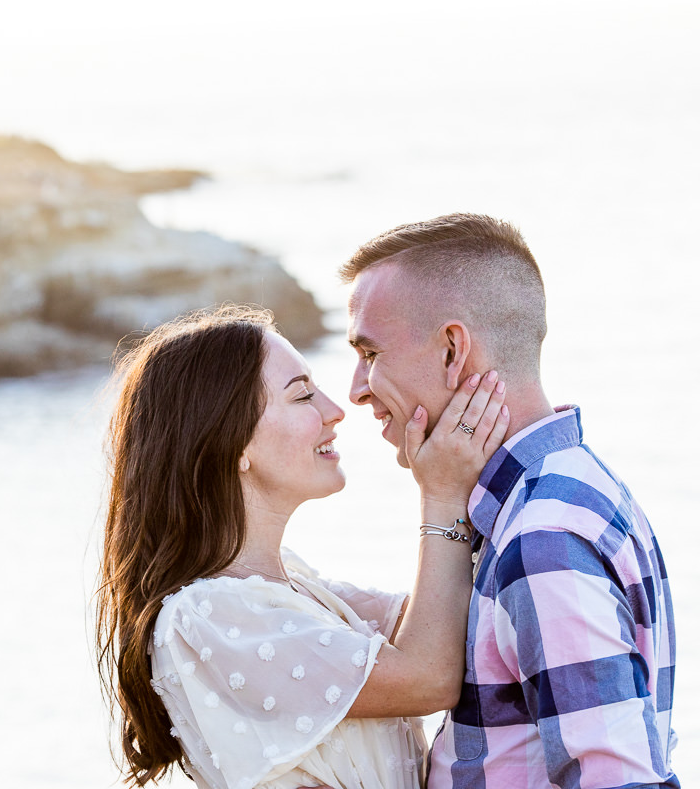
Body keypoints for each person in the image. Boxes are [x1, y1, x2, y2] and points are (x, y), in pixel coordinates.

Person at [95, 304, 509, 789]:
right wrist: (442, 494)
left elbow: (458, 627)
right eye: (302, 396)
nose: (335, 410)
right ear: (232, 442)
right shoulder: (210, 615)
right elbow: (428, 679)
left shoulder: (293, 586)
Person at [341, 213, 678, 788]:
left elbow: (620, 780)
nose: (355, 388)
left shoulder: (540, 536)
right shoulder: (572, 486)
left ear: (453, 350)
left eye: (370, 353)